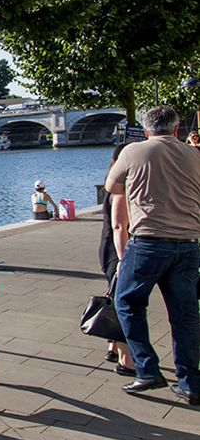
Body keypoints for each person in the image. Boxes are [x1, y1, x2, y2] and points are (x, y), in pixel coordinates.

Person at [105, 106, 200, 405]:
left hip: (148, 242)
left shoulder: (133, 152)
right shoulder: (195, 155)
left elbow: (111, 187)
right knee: (185, 315)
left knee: (127, 301)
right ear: (177, 129)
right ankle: (190, 383)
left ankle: (147, 369)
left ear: (146, 130)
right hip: (188, 244)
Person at [99, 144, 135, 376]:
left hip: (109, 247)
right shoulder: (120, 190)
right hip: (116, 250)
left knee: (115, 296)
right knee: (123, 302)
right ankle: (127, 360)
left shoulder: (112, 184)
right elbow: (120, 226)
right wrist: (124, 259)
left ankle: (113, 346)